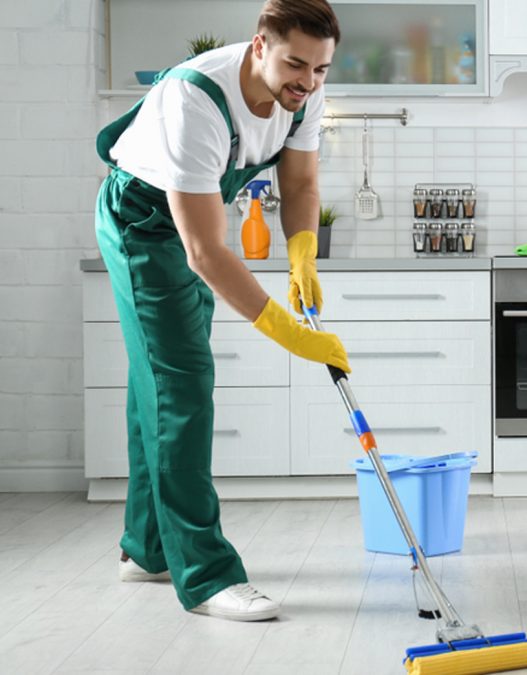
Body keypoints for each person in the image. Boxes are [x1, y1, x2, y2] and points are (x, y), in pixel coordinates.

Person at [94, 0, 350, 621]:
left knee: (155, 382)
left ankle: (147, 548)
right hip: (142, 223)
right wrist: (287, 331)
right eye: (296, 65)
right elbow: (206, 250)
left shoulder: (302, 90)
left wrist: (303, 255)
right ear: (259, 45)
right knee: (183, 387)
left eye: (320, 71)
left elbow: (301, 185)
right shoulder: (195, 101)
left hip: (187, 226)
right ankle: (206, 576)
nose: (308, 82)